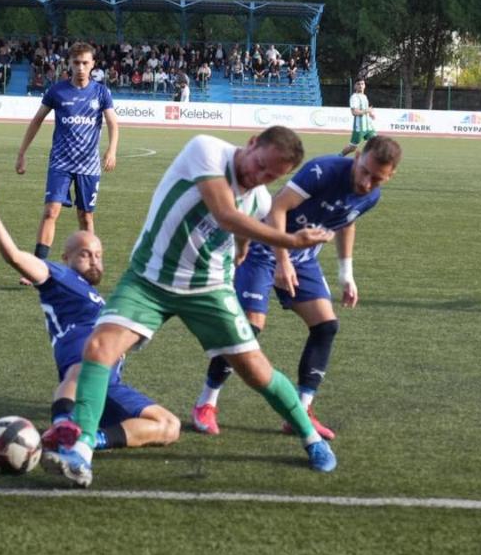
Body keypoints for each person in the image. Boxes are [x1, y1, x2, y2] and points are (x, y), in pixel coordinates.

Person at [39, 127, 337, 487]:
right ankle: (81, 448)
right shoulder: (207, 150)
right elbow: (226, 215)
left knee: (257, 372)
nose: (259, 177)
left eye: (271, 177)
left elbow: (242, 227)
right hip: (149, 279)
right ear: (253, 143)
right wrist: (288, 242)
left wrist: (242, 249)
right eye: (260, 166)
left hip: (208, 289)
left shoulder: (258, 198)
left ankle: (311, 438)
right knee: (99, 348)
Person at [192, 135, 402, 439]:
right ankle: (206, 403)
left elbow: (346, 221)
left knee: (326, 326)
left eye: (378, 179)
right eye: (365, 171)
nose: (367, 183)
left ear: (390, 176)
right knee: (248, 329)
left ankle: (301, 411)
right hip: (264, 247)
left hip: (303, 258)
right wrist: (282, 261)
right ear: (357, 158)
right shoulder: (323, 170)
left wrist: (347, 274)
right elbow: (276, 209)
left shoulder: (371, 196)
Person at [0, 173, 180, 452]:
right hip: (82, 361)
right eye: (85, 254)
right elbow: (14, 256)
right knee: (83, 368)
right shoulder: (58, 275)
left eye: (98, 254)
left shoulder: (95, 295)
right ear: (66, 257)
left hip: (107, 384)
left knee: (169, 425)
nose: (94, 260)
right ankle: (62, 425)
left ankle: (91, 440)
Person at [16, 42, 120, 280]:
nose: (81, 68)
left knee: (85, 217)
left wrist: (111, 150)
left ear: (93, 64)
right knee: (50, 211)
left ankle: (90, 267)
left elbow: (113, 123)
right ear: (69, 64)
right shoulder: (57, 91)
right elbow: (37, 121)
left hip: (89, 165)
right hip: (60, 163)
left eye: (85, 63)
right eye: (76, 63)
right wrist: (22, 152)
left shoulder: (101, 92)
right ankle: (36, 269)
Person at [340, 79, 375, 156]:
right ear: (355, 86)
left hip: (369, 126)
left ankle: (366, 160)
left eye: (362, 84)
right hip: (359, 127)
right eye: (358, 84)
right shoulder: (354, 97)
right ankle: (338, 157)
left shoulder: (364, 96)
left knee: (375, 144)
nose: (360, 86)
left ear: (365, 86)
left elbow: (365, 109)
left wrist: (370, 113)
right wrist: (367, 111)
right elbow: (354, 112)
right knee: (353, 147)